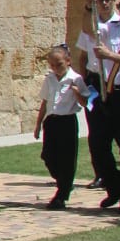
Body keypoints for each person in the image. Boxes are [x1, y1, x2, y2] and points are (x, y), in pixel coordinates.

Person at [75, 0, 120, 208]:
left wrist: (110, 55)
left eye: (107, 0)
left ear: (114, 1)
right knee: (98, 144)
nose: (104, 3)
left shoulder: (119, 24)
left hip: (119, 90)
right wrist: (86, 5)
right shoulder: (92, 24)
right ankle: (114, 187)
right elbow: (83, 54)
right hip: (96, 87)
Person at [34, 44, 89, 208]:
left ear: (68, 61)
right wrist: (38, 125)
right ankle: (63, 181)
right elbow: (44, 102)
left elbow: (86, 102)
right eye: (52, 65)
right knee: (48, 156)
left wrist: (77, 92)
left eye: (59, 64)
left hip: (67, 121)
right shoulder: (49, 79)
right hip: (52, 121)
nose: (56, 68)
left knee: (67, 158)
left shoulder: (76, 78)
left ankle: (61, 195)